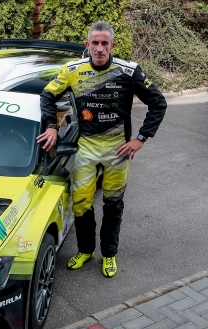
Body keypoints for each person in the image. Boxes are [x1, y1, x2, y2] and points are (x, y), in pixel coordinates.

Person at [37, 21, 167, 278]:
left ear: (112, 45)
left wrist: (141, 138)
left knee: (113, 205)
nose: (99, 48)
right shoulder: (72, 70)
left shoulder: (129, 71)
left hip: (118, 151)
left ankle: (109, 254)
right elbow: (47, 96)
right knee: (81, 205)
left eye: (104, 43)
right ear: (87, 45)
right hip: (85, 149)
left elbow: (158, 103)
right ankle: (86, 251)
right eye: (94, 43)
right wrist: (51, 126)